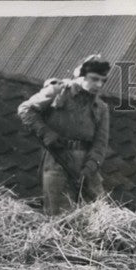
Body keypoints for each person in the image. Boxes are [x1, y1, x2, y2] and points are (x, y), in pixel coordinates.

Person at [17, 54, 111, 215]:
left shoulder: (100, 108)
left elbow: (100, 143)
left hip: (86, 164)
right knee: (60, 215)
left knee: (101, 215)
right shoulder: (58, 92)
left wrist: (90, 167)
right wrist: (47, 134)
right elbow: (26, 110)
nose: (98, 84)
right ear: (80, 75)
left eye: (103, 80)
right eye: (94, 79)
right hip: (57, 159)